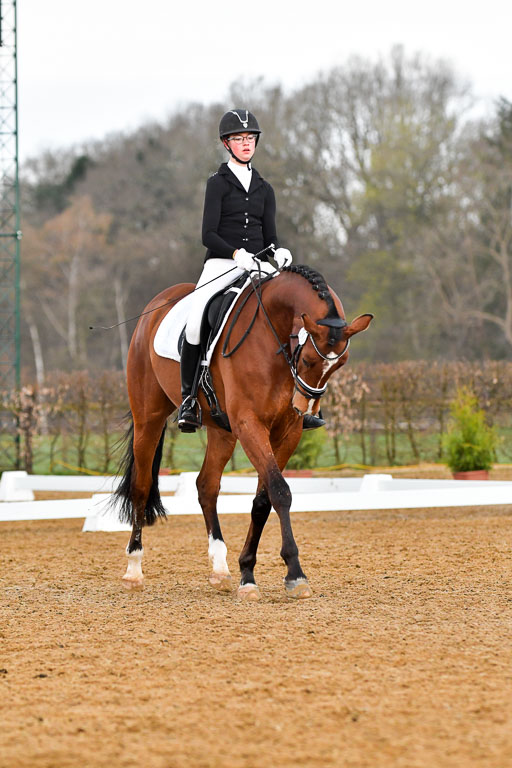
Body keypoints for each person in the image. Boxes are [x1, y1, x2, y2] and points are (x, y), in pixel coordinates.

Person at [177, 108, 325, 433]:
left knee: (293, 319)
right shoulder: (217, 184)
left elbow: (270, 236)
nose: (246, 143)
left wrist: (278, 251)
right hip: (221, 264)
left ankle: (302, 399)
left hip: (258, 266)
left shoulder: (264, 188)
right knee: (196, 321)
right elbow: (208, 234)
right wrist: (235, 253)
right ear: (226, 144)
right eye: (238, 138)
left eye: (249, 138)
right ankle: (189, 400)